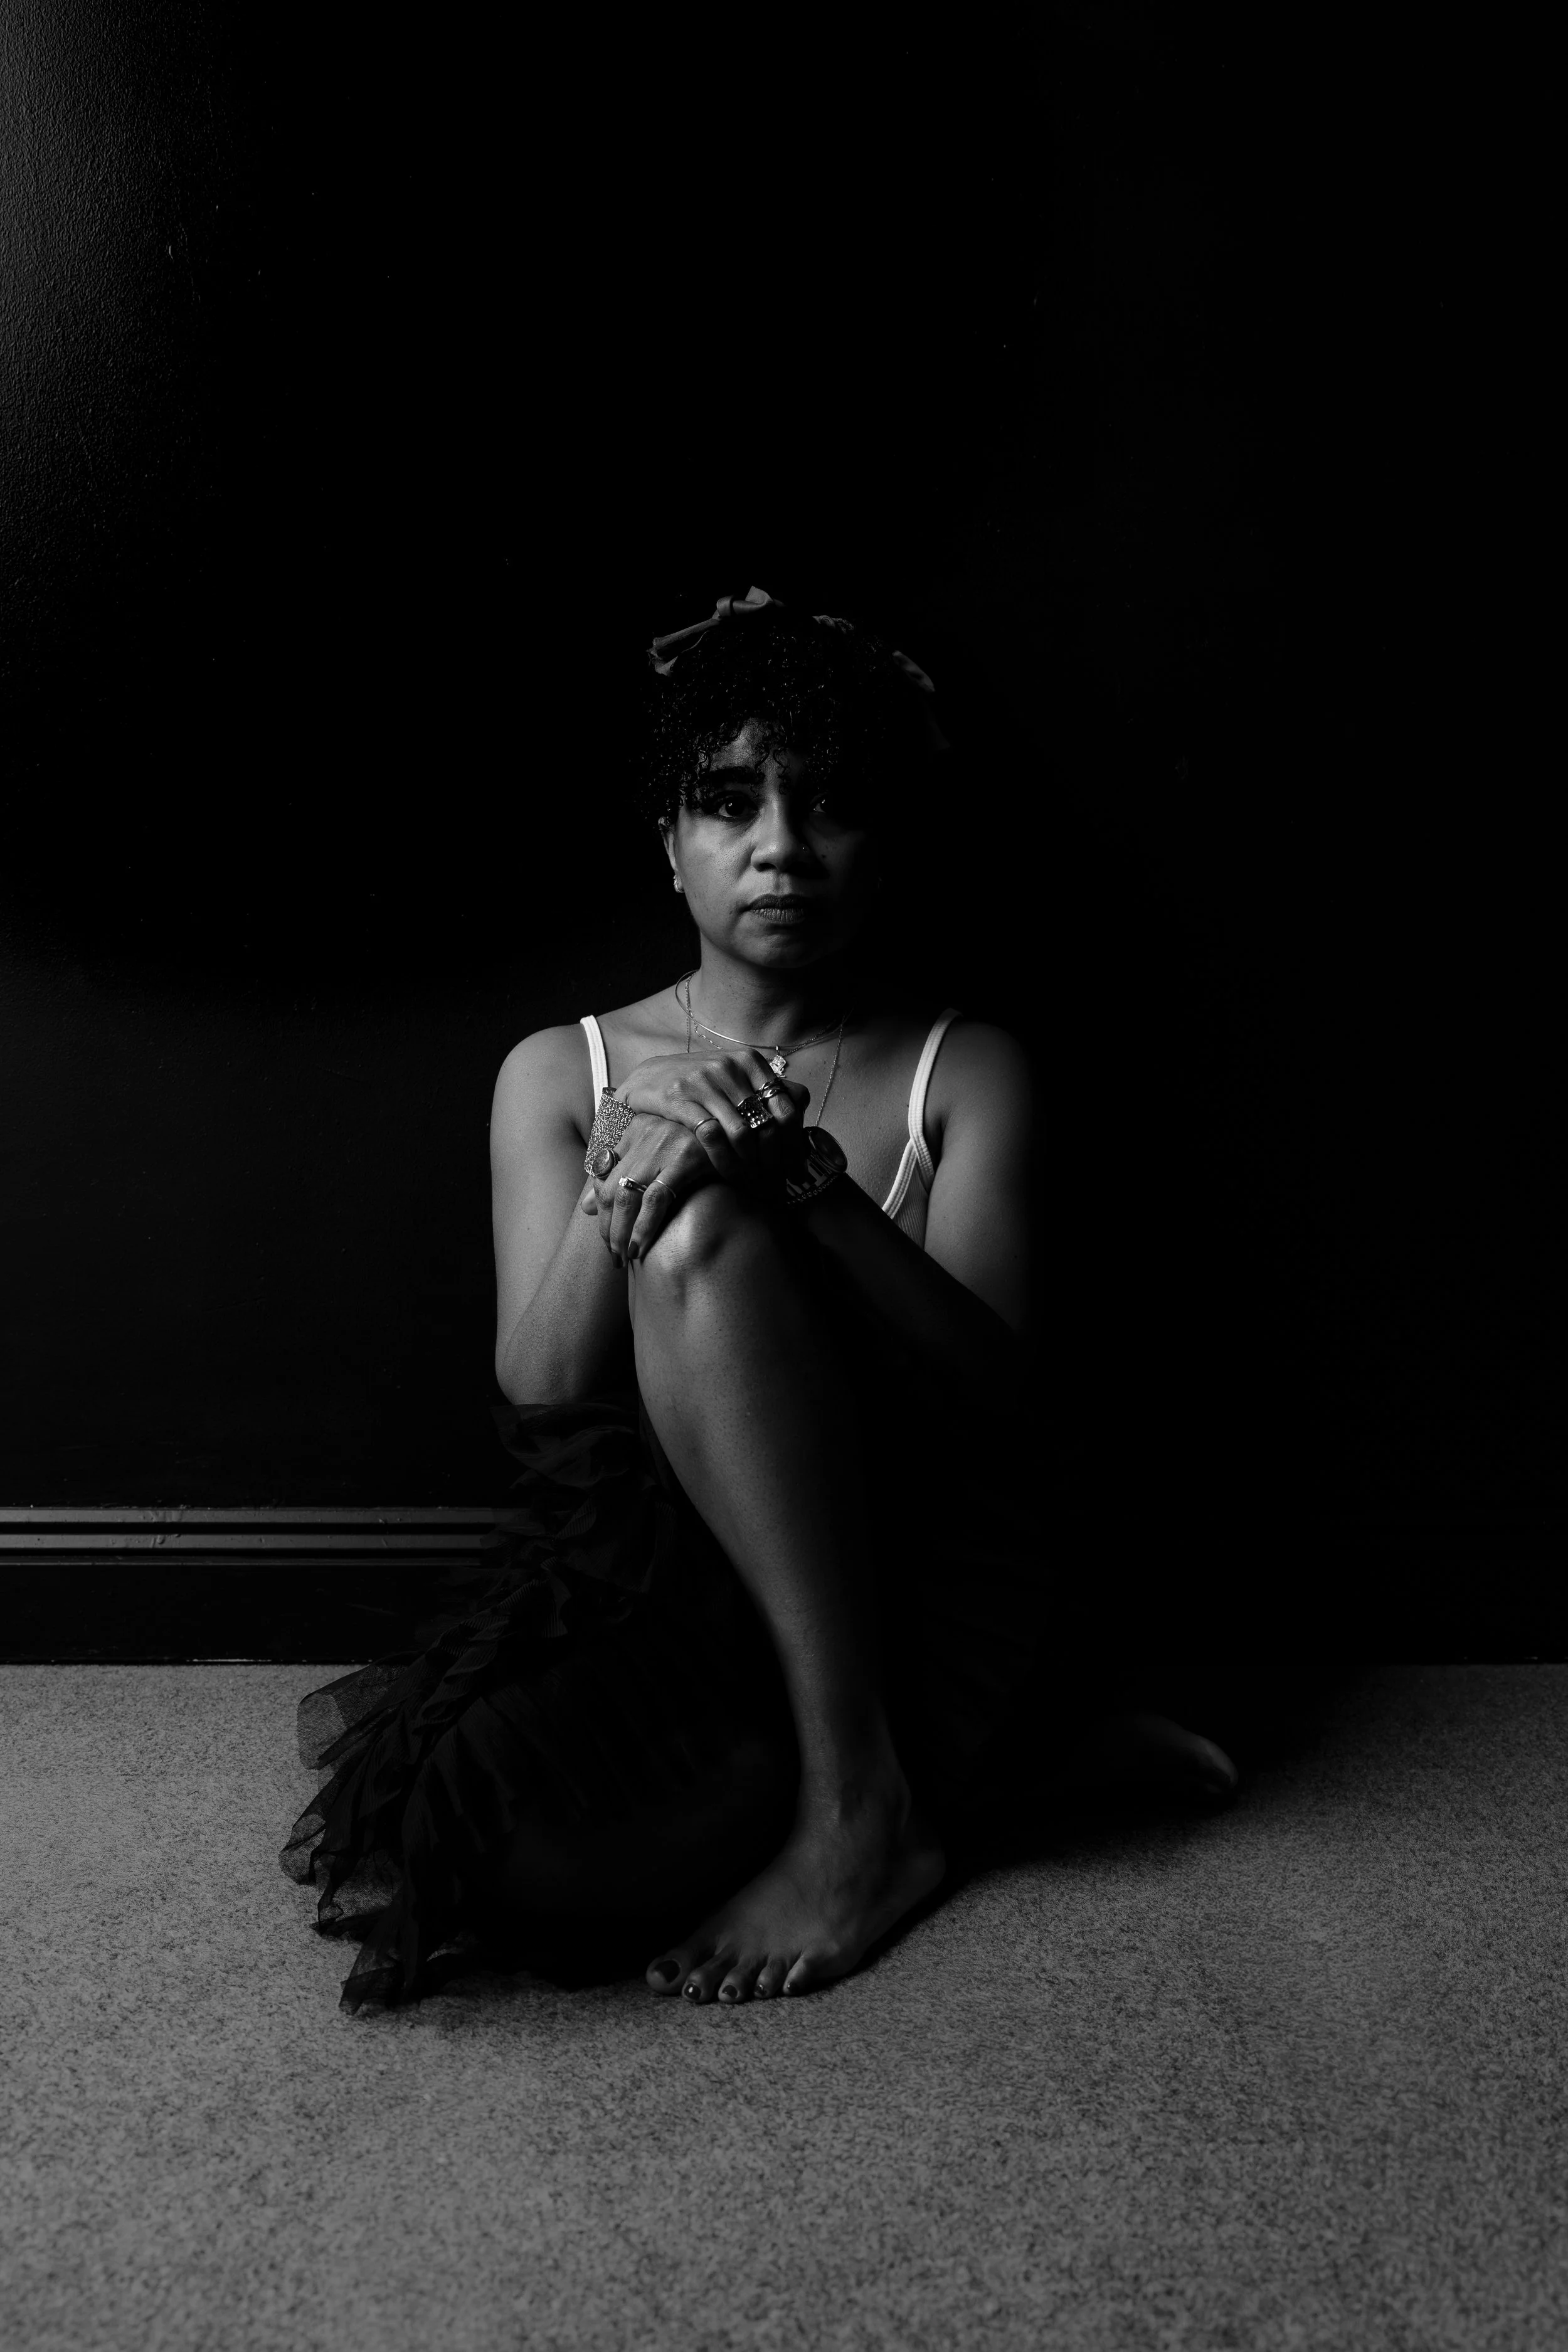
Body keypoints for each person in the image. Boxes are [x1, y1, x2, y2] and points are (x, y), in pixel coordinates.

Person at [282, 588, 1236, 2014]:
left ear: (883, 845)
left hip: (916, 1569)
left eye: (830, 805)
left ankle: (864, 1806)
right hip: (674, 1593)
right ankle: (991, 1771)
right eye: (729, 804)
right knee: (498, 1847)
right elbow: (541, 1388)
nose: (780, 846)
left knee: (706, 1228)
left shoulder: (965, 1067)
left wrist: (798, 1176)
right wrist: (641, 1136)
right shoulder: (559, 1068)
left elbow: (998, 1391)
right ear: (670, 844)